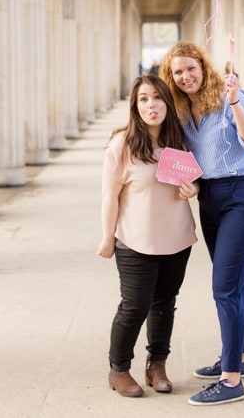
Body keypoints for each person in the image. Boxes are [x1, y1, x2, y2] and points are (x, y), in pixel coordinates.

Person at [159, 41, 244, 406]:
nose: (186, 76)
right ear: (171, 77)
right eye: (178, 72)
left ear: (203, 67)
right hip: (211, 197)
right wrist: (190, 184)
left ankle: (230, 380)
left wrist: (237, 101)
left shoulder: (230, 97)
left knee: (225, 286)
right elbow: (192, 160)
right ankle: (237, 357)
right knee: (239, 280)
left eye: (191, 68)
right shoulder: (180, 111)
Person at [98, 75, 199, 398]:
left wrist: (193, 189)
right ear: (134, 105)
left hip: (177, 238)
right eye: (143, 99)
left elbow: (196, 180)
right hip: (134, 239)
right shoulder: (122, 144)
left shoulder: (180, 141)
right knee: (134, 306)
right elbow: (109, 196)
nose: (150, 105)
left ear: (167, 103)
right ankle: (119, 369)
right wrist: (107, 237)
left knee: (164, 304)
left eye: (156, 98)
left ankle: (157, 365)